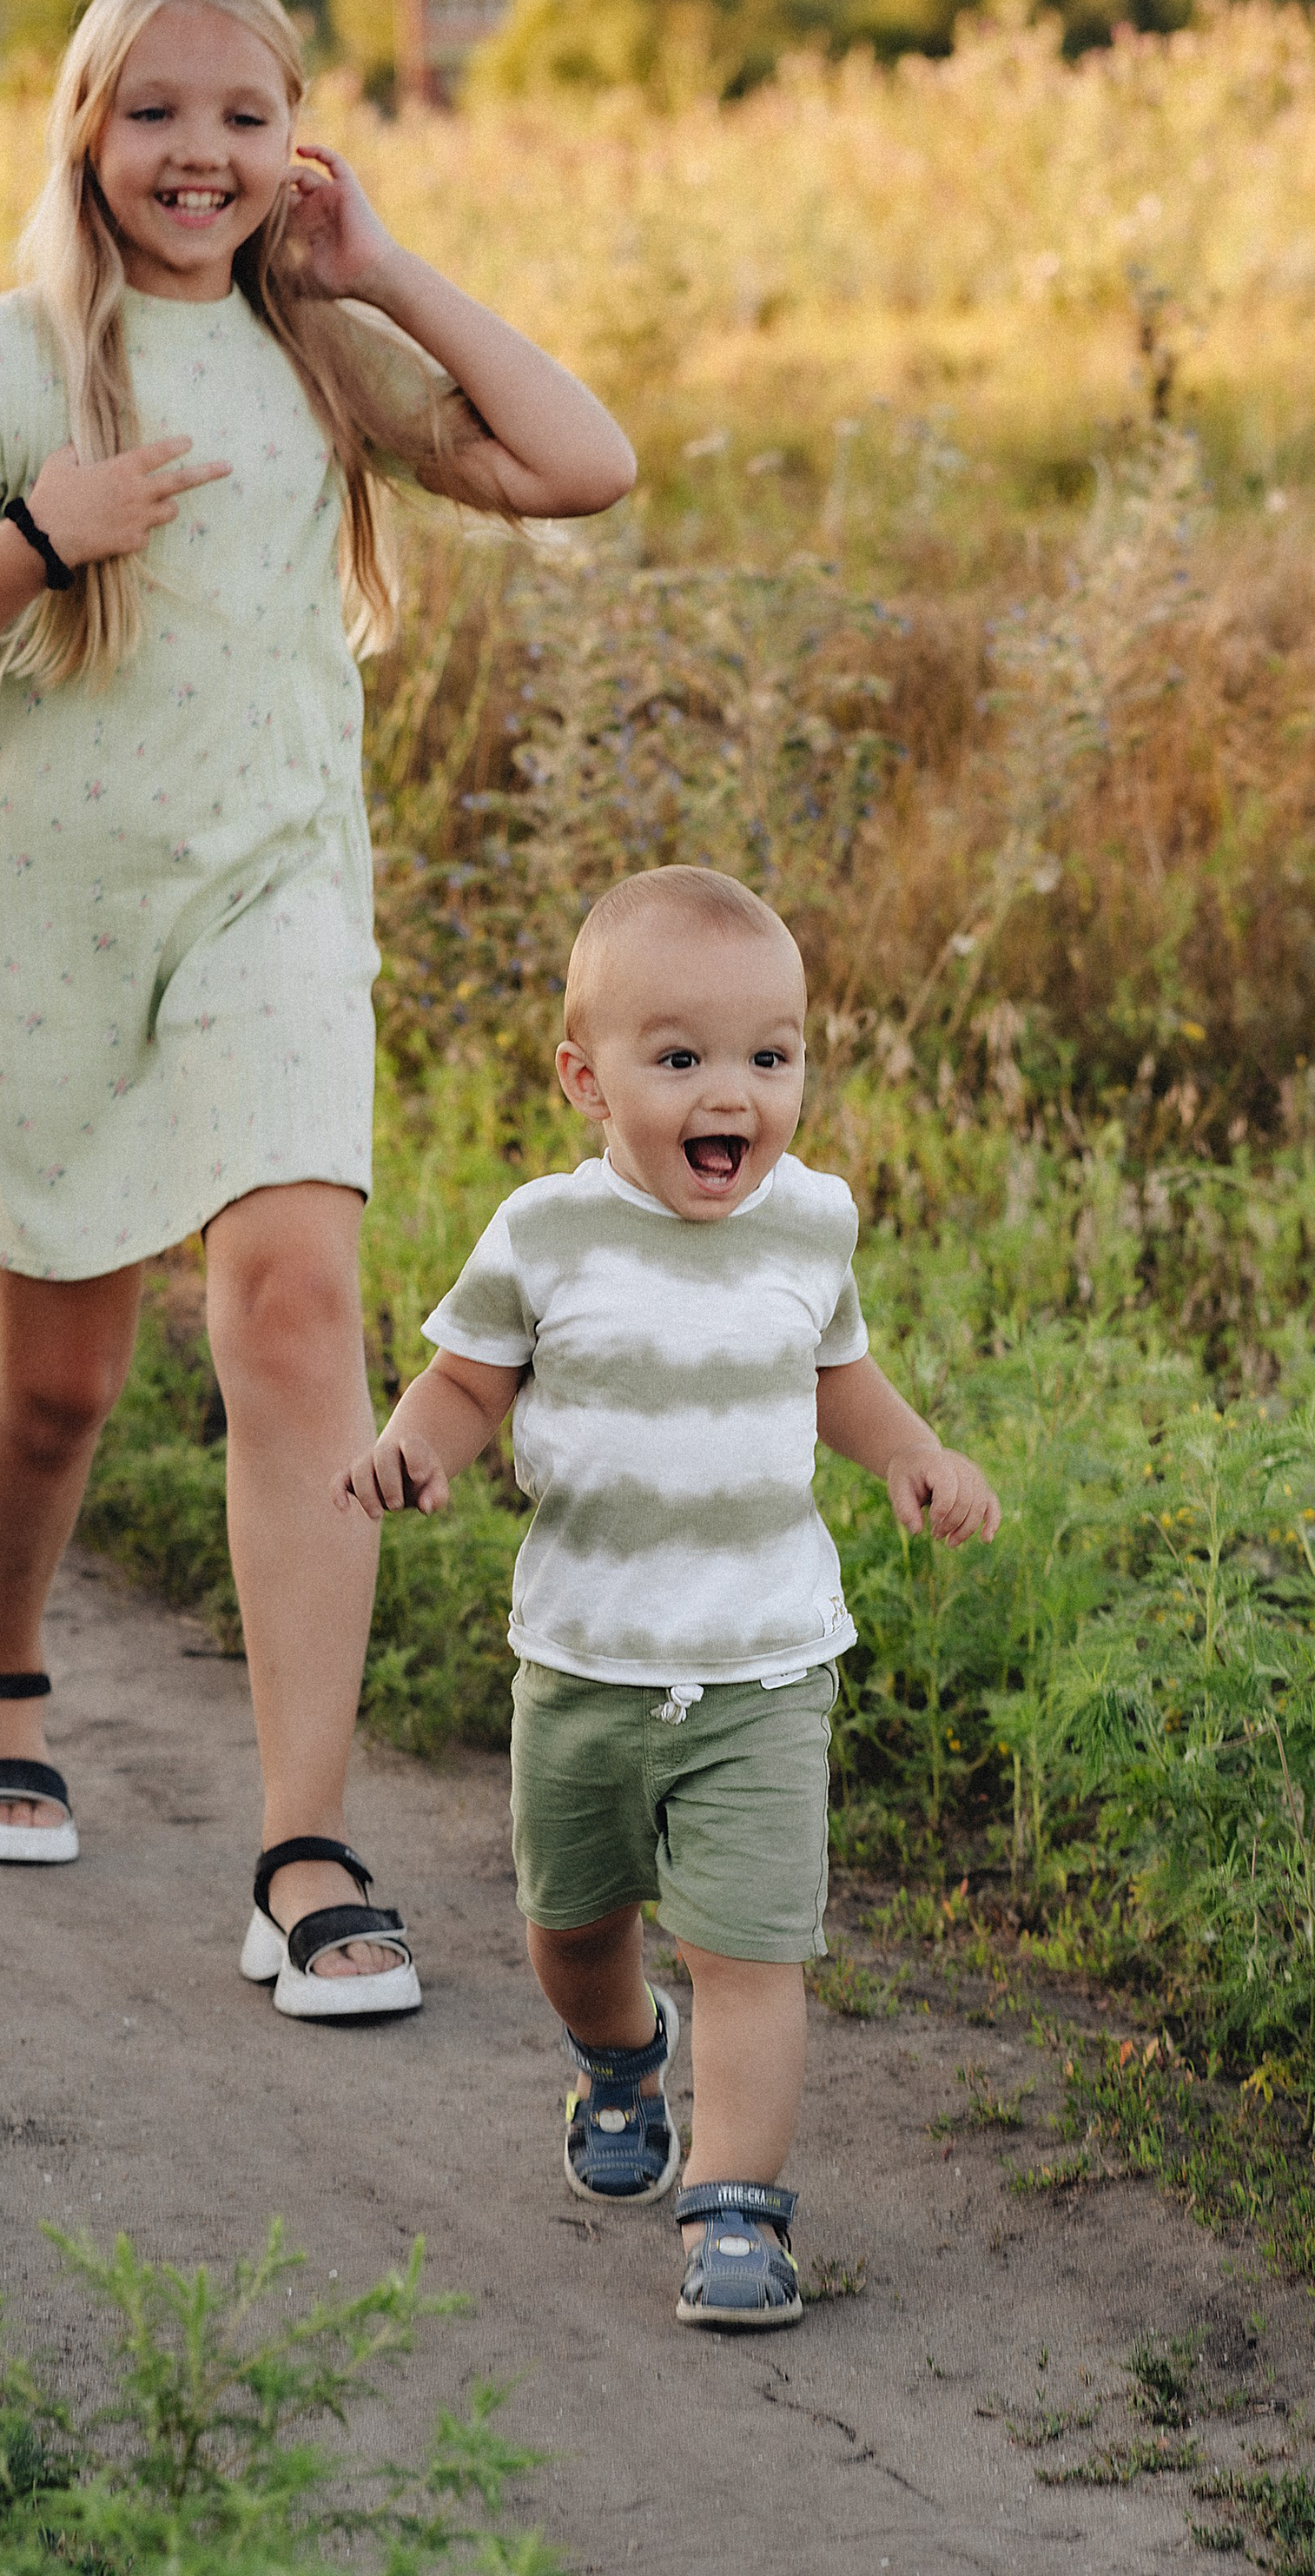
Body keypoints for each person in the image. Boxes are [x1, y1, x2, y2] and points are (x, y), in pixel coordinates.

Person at [0, 0, 635, 2019]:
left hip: (271, 902)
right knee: (65, 1381)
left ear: (293, 144)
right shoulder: (3, 364)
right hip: (52, 921)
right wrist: (34, 535)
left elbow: (580, 461)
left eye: (244, 117)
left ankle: (303, 1844)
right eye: (158, 111)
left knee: (292, 1307)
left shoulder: (320, 356)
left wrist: (389, 271)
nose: (202, 152)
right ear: (86, 130)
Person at [333, 864, 1000, 2323]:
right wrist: (416, 1450)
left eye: (772, 1056)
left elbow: (839, 1371)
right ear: (588, 1075)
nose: (737, 1094)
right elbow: (467, 1379)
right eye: (682, 1056)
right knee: (572, 1930)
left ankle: (737, 2206)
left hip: (765, 1663)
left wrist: (910, 1452)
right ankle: (622, 2053)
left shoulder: (809, 1223)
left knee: (752, 1948)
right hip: (587, 1658)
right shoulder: (545, 1234)